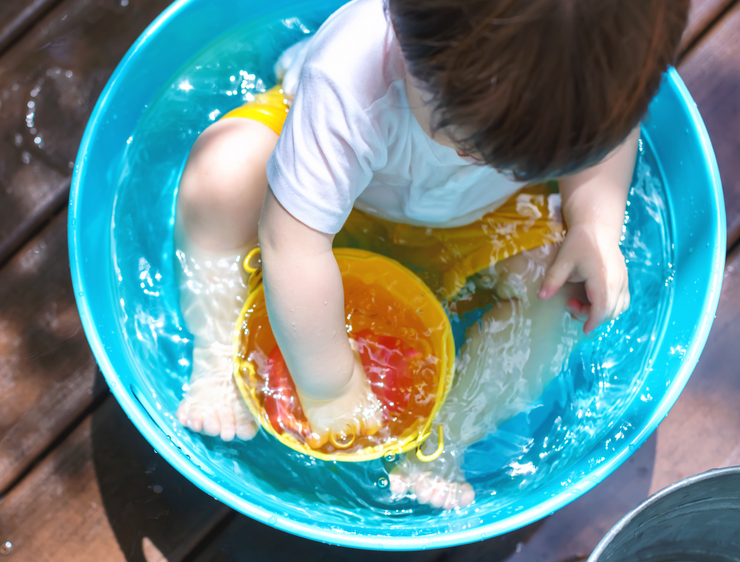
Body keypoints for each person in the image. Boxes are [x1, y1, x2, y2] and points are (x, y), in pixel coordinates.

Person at [173, 0, 688, 509]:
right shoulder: (349, 74)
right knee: (220, 174)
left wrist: (595, 224)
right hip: (340, 198)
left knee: (562, 290)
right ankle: (218, 353)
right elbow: (293, 245)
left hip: (478, 220)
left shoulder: (594, 79)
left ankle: (444, 441)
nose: (484, 160)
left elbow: (614, 135)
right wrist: (330, 389)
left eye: (523, 160)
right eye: (468, 141)